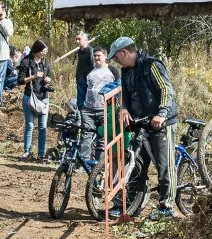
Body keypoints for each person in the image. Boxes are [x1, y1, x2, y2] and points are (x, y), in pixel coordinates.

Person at [108, 36, 177, 220]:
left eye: (116, 56)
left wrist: (162, 114)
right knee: (135, 164)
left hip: (161, 122)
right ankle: (130, 204)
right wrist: (124, 108)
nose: (115, 60)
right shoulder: (125, 71)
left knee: (164, 166)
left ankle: (166, 207)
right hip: (141, 122)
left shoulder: (151, 65)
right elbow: (125, 94)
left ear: (124, 52)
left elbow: (166, 90)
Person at [78, 46, 120, 165]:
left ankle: (99, 165)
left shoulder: (113, 70)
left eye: (99, 56)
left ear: (105, 56)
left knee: (103, 137)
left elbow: (118, 88)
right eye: (95, 55)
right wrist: (80, 105)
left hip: (105, 110)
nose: (96, 58)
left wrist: (114, 106)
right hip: (88, 109)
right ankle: (84, 163)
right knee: (86, 135)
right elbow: (81, 87)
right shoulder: (88, 70)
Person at [17, 40, 53, 161]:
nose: (44, 53)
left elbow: (49, 75)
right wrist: (33, 76)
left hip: (43, 98)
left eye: (46, 51)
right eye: (43, 51)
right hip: (30, 97)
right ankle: (26, 151)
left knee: (42, 127)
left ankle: (41, 154)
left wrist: (48, 79)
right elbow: (20, 81)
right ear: (37, 50)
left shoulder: (46, 62)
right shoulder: (26, 62)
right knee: (30, 125)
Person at [73, 31, 95, 110]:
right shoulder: (79, 51)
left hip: (88, 81)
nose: (77, 41)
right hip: (80, 79)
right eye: (76, 39)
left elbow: (94, 66)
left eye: (79, 39)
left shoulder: (90, 51)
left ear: (85, 39)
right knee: (80, 103)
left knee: (89, 104)